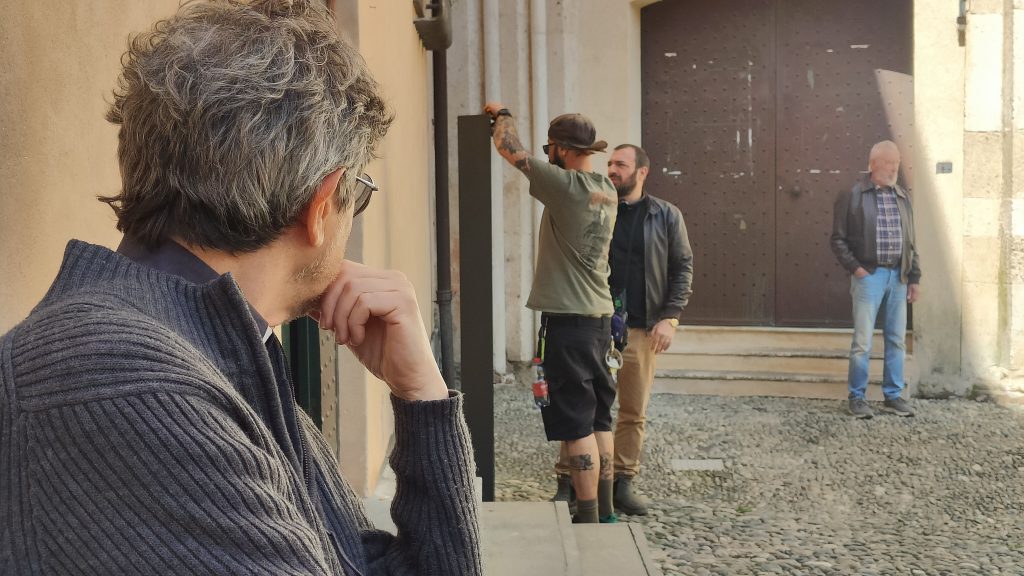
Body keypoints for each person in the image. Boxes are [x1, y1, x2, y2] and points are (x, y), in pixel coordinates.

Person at [0, 2, 481, 574]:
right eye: (360, 191)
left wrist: (421, 394)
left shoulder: (205, 350)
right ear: (321, 206)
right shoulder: (127, 383)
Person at [484, 103, 618, 524]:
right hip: (599, 321)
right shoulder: (606, 188)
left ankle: (587, 518)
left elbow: (509, 149)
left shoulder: (565, 186)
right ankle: (606, 510)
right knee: (599, 419)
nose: (547, 155)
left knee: (576, 425)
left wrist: (503, 114)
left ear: (561, 149)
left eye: (549, 148)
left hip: (570, 324)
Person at [605, 143, 693, 515]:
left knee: (632, 411)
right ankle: (574, 481)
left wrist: (670, 317)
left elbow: (682, 267)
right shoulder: (599, 207)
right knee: (584, 406)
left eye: (621, 164)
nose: (612, 170)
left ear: (642, 172)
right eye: (610, 163)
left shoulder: (666, 215)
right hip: (596, 325)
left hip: (640, 329)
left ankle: (623, 482)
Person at [831, 140, 921, 419]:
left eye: (896, 163)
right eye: (888, 163)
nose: (894, 169)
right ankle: (857, 398)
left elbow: (911, 243)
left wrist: (914, 277)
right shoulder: (853, 194)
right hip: (869, 276)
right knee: (863, 342)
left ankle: (893, 395)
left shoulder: (902, 197)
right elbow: (837, 239)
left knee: (896, 339)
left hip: (899, 277)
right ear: (873, 165)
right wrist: (857, 269)